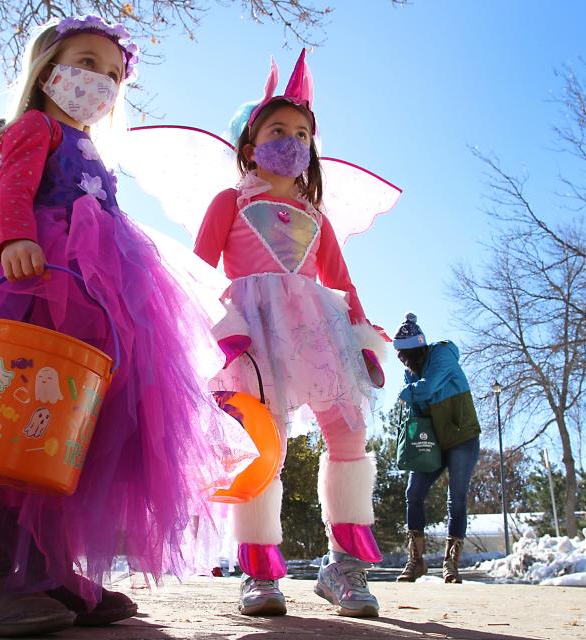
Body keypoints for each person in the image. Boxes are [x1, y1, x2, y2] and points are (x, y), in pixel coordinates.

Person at [0, 14, 244, 637]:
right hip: (33, 282)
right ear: (49, 67)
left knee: (63, 433)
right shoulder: (35, 126)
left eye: (112, 74)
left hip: (94, 296)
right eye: (85, 63)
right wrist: (14, 240)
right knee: (5, 426)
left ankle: (48, 570)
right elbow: (12, 188)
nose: (99, 81)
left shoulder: (95, 150)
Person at [193, 50, 389, 618]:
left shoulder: (319, 216)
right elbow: (198, 273)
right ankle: (259, 572)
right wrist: (224, 332)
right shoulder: (229, 202)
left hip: (320, 335)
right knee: (265, 446)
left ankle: (345, 568)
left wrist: (363, 338)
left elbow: (343, 282)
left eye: (302, 132)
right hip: (254, 338)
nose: (292, 140)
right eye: (279, 130)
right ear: (251, 146)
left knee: (349, 433)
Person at [392, 312, 481, 584]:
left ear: (420, 347)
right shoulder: (411, 373)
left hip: (461, 437)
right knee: (413, 492)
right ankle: (416, 560)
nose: (406, 361)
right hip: (434, 442)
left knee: (456, 498)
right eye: (402, 356)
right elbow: (419, 406)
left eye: (408, 354)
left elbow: (428, 388)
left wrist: (407, 393)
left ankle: (450, 564)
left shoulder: (442, 355)